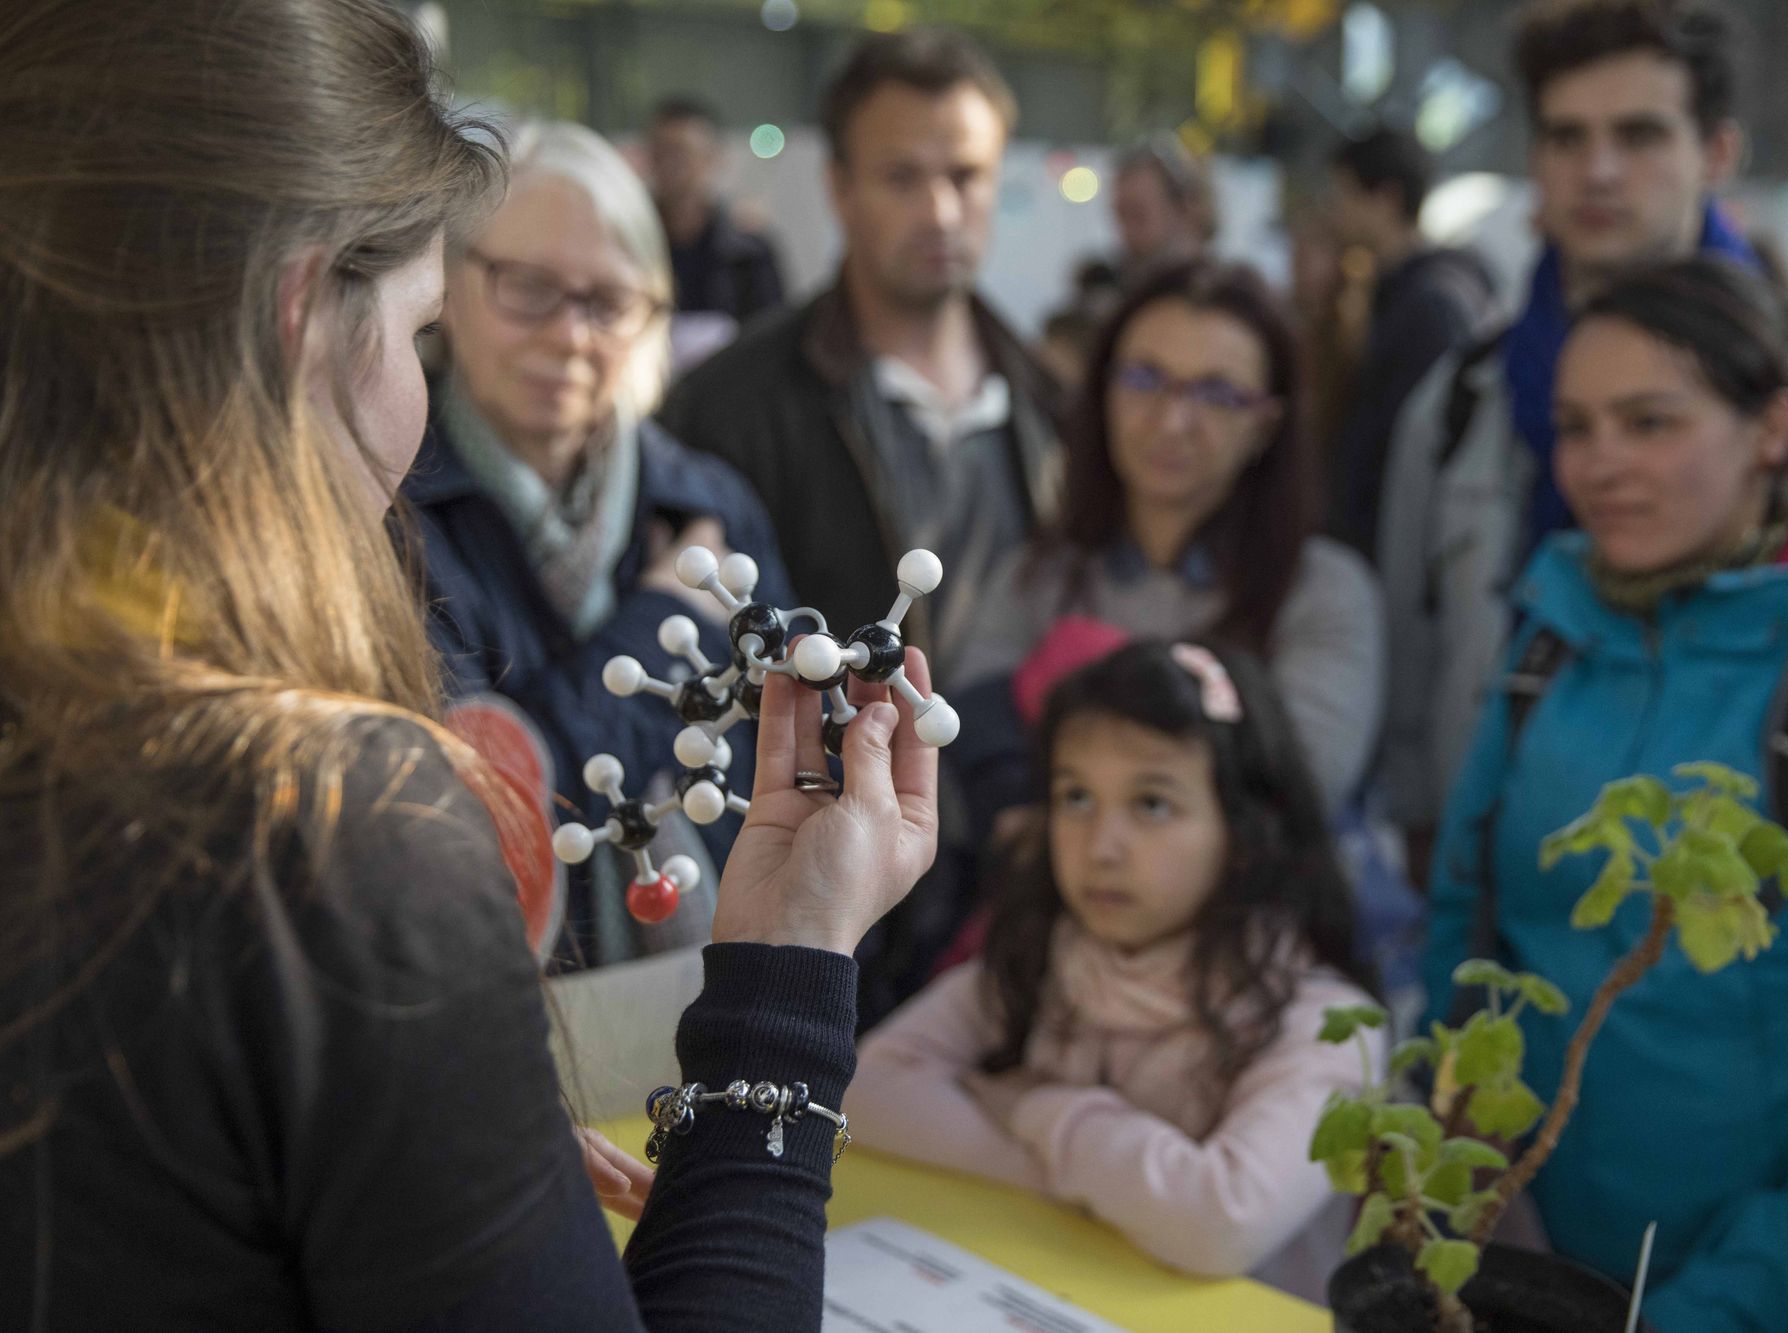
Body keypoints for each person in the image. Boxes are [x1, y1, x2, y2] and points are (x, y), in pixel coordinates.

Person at [0, 3, 938, 1330]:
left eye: (610, 300)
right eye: (430, 319)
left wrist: (433, 1116)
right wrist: (791, 966)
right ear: (297, 315)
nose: (564, 336)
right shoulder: (320, 830)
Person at [1422, 258, 1788, 1333]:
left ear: (1771, 426)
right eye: (1576, 425)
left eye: (1649, 422)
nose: (1599, 464)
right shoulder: (1550, 636)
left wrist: (1710, 1311)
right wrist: (1441, 1183)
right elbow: (1466, 930)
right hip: (1521, 1273)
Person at [1375, 0, 1788, 862]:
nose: (1598, 171)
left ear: (1715, 152)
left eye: (1639, 135)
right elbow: (1412, 664)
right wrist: (1432, 850)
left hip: (1764, 904)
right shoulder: (1462, 400)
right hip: (1507, 884)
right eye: (1567, 138)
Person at [847, 642, 1382, 1300]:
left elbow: (1218, 1222)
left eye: (1152, 803)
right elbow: (869, 1088)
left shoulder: (1325, 1026)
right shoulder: (1046, 956)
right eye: (1075, 796)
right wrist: (1114, 1187)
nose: (1101, 846)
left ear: (1245, 829)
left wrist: (1038, 1108)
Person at [407, 120, 796, 964]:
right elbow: (481, 808)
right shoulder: (395, 514)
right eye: (529, 286)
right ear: (449, 285)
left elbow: (793, 765)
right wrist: (662, 620)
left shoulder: (709, 500)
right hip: (508, 999)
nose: (571, 336)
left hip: (719, 986)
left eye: (608, 301)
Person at [661, 28, 1062, 683]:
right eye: (902, 178)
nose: (940, 211)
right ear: (840, 188)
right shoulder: (727, 408)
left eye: (966, 176)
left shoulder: (1055, 402)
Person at [950, 259, 1385, 832]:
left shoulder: (1325, 592)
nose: (1172, 420)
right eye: (1144, 379)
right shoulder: (1038, 576)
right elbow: (967, 749)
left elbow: (1299, 794)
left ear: (1266, 425)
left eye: (1217, 393)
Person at [1319, 126, 1494, 558]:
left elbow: (1418, 454)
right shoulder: (1401, 296)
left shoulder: (1429, 306)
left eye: (1344, 195)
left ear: (1387, 199)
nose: (1333, 212)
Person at [644, 97, 787, 362]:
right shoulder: (628, 252)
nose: (672, 167)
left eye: (683, 153)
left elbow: (775, 346)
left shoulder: (750, 256)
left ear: (712, 158)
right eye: (662, 153)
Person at [1108, 134, 1217, 289]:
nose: (1126, 233)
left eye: (1137, 215)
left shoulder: (1227, 302)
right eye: (1120, 216)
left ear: (1184, 208)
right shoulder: (1120, 296)